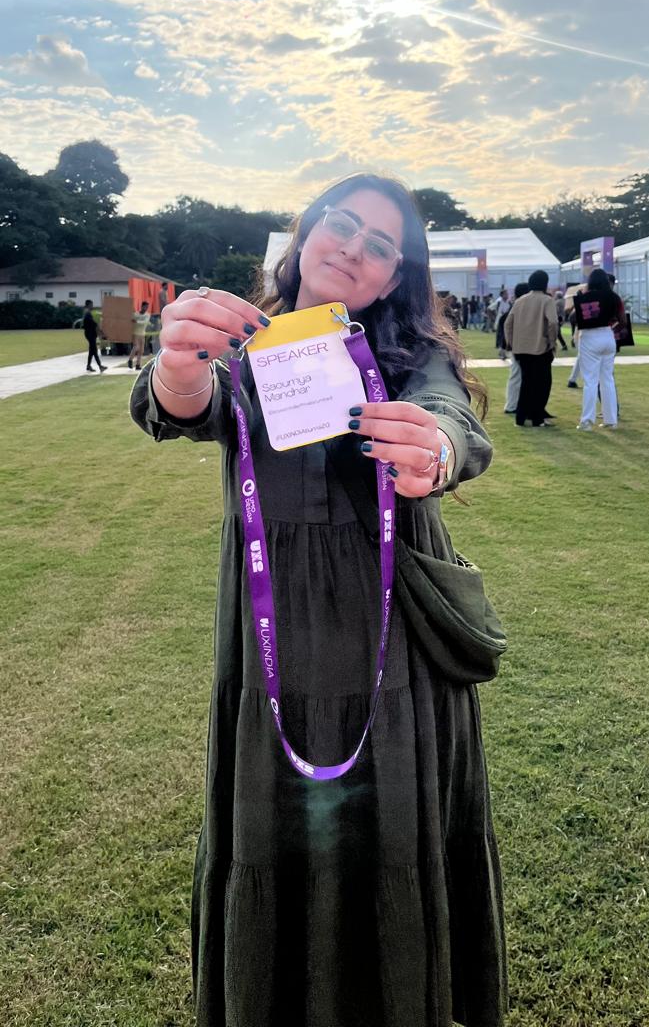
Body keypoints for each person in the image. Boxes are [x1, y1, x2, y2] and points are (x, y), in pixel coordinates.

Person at [129, 173, 507, 1027]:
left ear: (394, 277)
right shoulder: (245, 342)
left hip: (394, 648)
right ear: (306, 235)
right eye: (342, 224)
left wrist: (433, 449)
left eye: (382, 246)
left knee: (395, 839)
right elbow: (184, 406)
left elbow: (452, 420)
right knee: (274, 836)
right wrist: (179, 364)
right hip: (277, 644)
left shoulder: (412, 354)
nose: (353, 248)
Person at [503, 270, 558, 427]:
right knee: (541, 385)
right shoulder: (547, 300)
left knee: (526, 383)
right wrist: (552, 342)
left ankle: (520, 418)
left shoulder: (520, 300)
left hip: (521, 349)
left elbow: (508, 323)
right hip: (540, 348)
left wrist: (511, 342)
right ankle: (537, 419)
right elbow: (553, 322)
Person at [573, 268, 621, 430]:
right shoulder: (613, 297)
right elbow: (621, 319)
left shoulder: (584, 297)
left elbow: (575, 318)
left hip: (589, 336)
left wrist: (580, 298)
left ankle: (587, 421)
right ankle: (611, 420)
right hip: (608, 335)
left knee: (590, 381)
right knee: (607, 379)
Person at [503, 282, 529, 413]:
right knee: (516, 376)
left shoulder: (516, 305)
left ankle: (513, 404)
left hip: (516, 346)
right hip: (518, 346)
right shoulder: (519, 306)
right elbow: (507, 325)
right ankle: (511, 405)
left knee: (517, 376)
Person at [82, 299, 107, 373]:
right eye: (91, 305)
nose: (92, 306)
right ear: (89, 305)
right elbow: (94, 324)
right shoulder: (87, 313)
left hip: (90, 333)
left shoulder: (87, 313)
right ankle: (100, 366)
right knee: (94, 351)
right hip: (90, 334)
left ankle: (88, 366)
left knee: (91, 351)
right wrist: (101, 332)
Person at [128, 301, 150, 370]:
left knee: (141, 350)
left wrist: (136, 321)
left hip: (142, 334)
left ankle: (138, 364)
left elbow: (145, 322)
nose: (146, 308)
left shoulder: (147, 315)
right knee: (136, 347)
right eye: (145, 307)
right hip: (135, 333)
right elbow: (131, 320)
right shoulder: (135, 314)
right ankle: (130, 360)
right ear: (142, 306)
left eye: (147, 307)